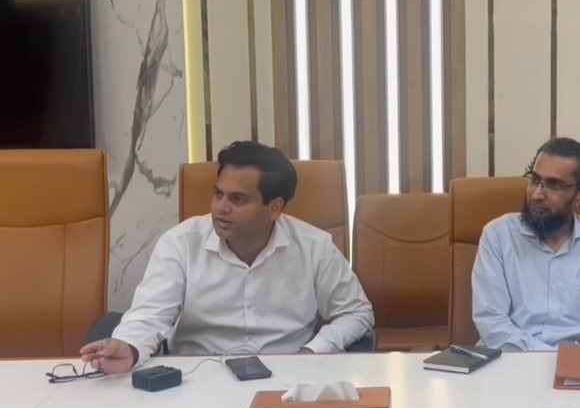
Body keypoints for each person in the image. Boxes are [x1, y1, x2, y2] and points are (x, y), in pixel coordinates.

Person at [81, 141, 375, 374]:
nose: (221, 208)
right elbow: (149, 314)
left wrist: (313, 351)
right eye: (218, 194)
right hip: (196, 379)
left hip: (284, 378)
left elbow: (357, 312)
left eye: (238, 199)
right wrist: (129, 347)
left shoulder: (314, 247)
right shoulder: (180, 243)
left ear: (274, 208)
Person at [471, 137, 580, 351]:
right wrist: (555, 358)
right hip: (511, 359)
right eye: (534, 180)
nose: (536, 194)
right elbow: (491, 323)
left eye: (553, 185)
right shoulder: (498, 236)